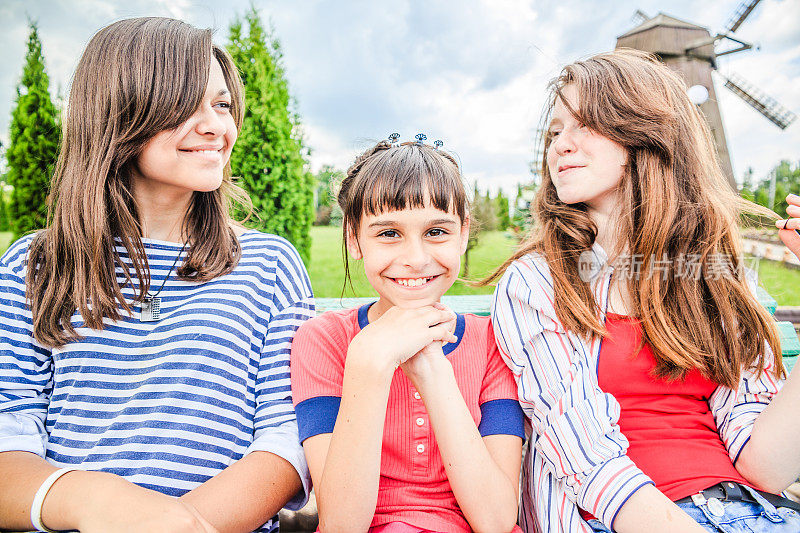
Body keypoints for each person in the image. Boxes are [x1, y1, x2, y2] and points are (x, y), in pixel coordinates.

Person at [0, 18, 312, 533]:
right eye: (188, 104)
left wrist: (180, 525)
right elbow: (8, 454)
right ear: (122, 111)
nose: (216, 126)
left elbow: (284, 444)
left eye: (223, 104)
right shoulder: (34, 267)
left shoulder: (270, 265)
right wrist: (97, 501)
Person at [489, 49, 800, 533]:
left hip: (747, 511)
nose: (560, 146)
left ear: (648, 132)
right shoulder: (538, 280)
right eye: (554, 132)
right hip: (615, 519)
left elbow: (766, 468)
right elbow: (584, 456)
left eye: (584, 124)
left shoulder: (714, 273)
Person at [290, 136, 525, 533]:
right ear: (353, 238)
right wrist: (370, 362)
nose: (416, 259)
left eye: (436, 232)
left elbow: (497, 519)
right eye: (388, 233)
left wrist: (432, 370)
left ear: (463, 234)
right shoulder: (323, 340)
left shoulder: (493, 342)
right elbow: (342, 524)